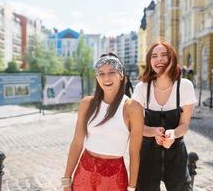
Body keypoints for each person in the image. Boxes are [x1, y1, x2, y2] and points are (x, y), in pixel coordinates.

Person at [62, 52, 144, 191]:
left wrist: (131, 187)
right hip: (84, 172)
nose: (106, 78)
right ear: (97, 77)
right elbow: (77, 143)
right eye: (101, 73)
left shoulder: (132, 108)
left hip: (114, 178)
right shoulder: (87, 103)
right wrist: (66, 180)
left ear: (121, 75)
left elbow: (134, 153)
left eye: (112, 72)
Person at [132, 41, 197, 191]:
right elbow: (136, 126)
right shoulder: (142, 88)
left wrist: (173, 134)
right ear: (149, 61)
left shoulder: (185, 86)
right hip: (147, 157)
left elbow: (184, 125)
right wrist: (152, 132)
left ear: (172, 58)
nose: (159, 59)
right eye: (154, 56)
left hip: (176, 157)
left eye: (163, 55)